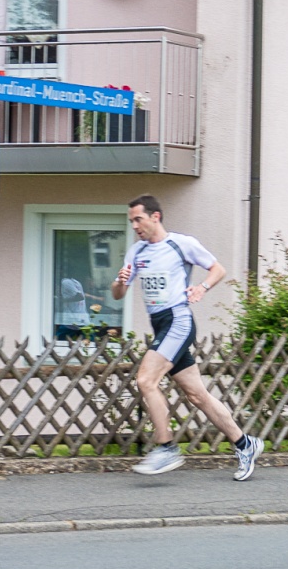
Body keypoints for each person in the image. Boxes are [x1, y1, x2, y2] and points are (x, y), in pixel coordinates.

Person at [111, 195, 263, 479]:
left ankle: (166, 447)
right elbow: (119, 294)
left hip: (178, 322)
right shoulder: (136, 252)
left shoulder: (181, 244)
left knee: (146, 380)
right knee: (197, 395)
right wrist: (119, 281)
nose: (134, 226)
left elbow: (218, 269)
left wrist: (202, 287)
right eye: (132, 221)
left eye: (138, 219)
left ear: (155, 217)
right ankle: (246, 443)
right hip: (160, 325)